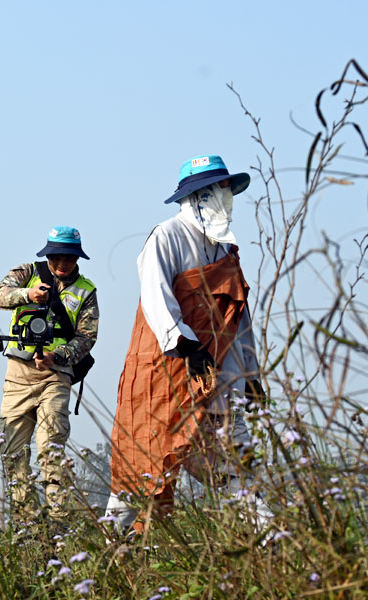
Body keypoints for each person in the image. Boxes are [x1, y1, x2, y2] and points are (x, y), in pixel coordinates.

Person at [106, 155, 270, 533]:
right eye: (219, 190)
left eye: (228, 190)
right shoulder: (166, 237)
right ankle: (110, 548)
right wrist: (185, 344)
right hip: (165, 375)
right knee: (141, 468)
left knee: (237, 468)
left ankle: (271, 540)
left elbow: (239, 321)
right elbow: (156, 296)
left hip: (217, 378)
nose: (226, 198)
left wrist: (251, 376)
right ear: (198, 196)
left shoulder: (225, 251)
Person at [0, 226, 99, 521]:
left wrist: (57, 356)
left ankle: (58, 520)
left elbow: (87, 337)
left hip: (56, 374)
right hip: (18, 372)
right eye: (56, 258)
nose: (62, 264)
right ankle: (27, 521)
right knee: (12, 448)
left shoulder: (86, 290)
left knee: (50, 444)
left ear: (77, 258)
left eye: (69, 258)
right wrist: (28, 294)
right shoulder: (28, 272)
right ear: (48, 255)